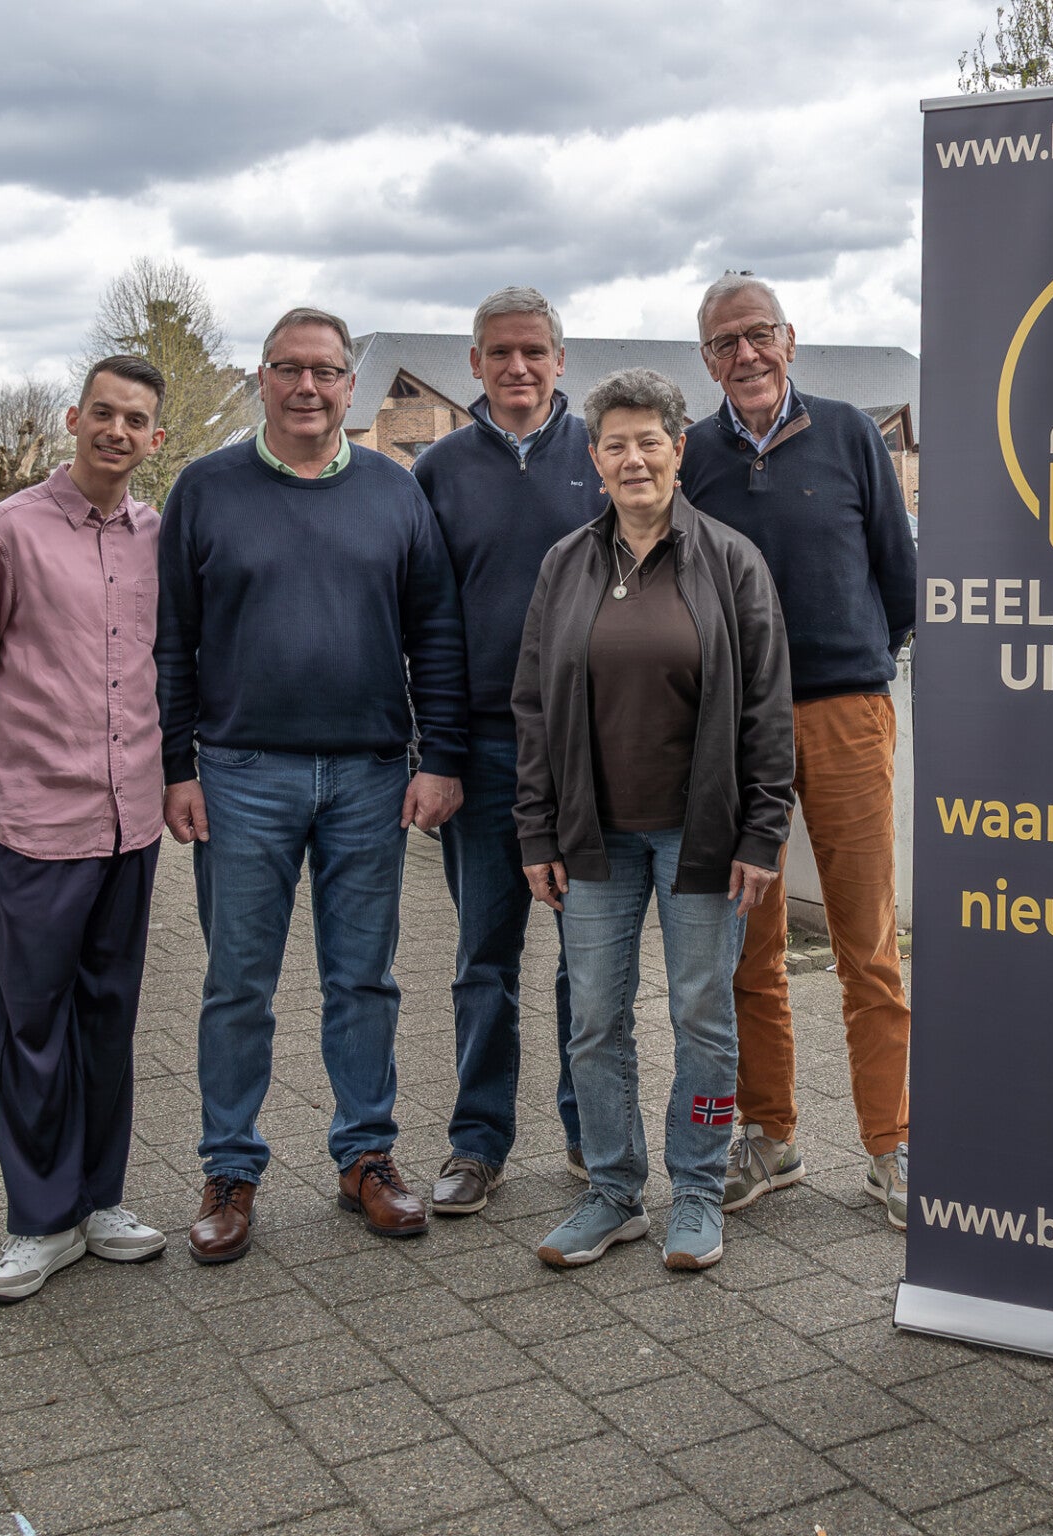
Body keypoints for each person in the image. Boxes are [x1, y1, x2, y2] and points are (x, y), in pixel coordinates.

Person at [156, 306, 467, 1265]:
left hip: (370, 776)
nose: (307, 387)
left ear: (348, 385)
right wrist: (177, 767)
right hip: (240, 775)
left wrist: (440, 756)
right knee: (237, 984)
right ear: (261, 379)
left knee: (363, 980)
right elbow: (172, 640)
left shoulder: (394, 490)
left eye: (326, 371)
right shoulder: (205, 490)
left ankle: (365, 1156)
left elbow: (437, 633)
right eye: (288, 368)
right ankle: (230, 1169)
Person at [514, 368, 792, 1271]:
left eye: (649, 441)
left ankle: (700, 1189)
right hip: (593, 839)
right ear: (595, 460)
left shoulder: (732, 561)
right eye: (615, 444)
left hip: (702, 838)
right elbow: (533, 708)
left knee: (703, 1018)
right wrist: (536, 830)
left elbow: (767, 708)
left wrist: (762, 832)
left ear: (679, 448)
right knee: (595, 1019)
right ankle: (613, 1190)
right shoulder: (565, 565)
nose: (633, 459)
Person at [680, 275, 918, 1231]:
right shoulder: (692, 454)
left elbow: (899, 578)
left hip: (845, 712)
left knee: (868, 943)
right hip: (737, 729)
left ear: (790, 339)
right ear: (706, 360)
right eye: (724, 342)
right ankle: (770, 1137)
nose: (745, 354)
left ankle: (893, 1147)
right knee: (751, 946)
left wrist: (854, 660)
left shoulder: (852, 432)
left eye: (758, 334)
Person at [0, 355, 172, 1302]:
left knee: (109, 1019)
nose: (117, 431)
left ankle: (100, 1200)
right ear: (74, 418)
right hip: (38, 824)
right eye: (103, 413)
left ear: (155, 438)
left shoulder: (159, 536)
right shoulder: (6, 532)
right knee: (31, 1025)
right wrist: (12, 778)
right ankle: (40, 1220)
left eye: (136, 420)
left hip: (132, 821)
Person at [412, 287, 604, 1215]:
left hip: (592, 756)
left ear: (561, 360)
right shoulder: (437, 471)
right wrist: (438, 756)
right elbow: (426, 625)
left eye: (534, 351)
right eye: (500, 353)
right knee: (484, 959)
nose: (518, 367)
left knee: (589, 958)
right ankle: (478, 1141)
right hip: (485, 755)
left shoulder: (604, 454)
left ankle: (591, 1131)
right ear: (475, 364)